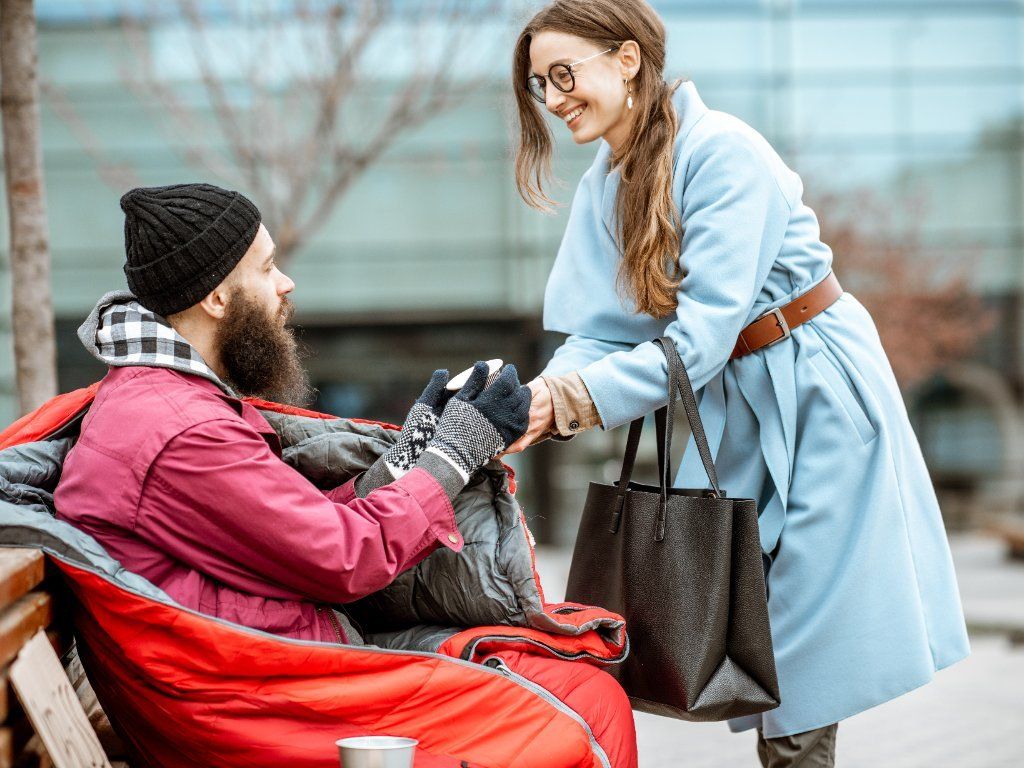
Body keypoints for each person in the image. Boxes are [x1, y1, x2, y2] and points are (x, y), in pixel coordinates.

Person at [504, 1, 970, 765]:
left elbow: (700, 337)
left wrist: (572, 402)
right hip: (732, 398)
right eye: (538, 84)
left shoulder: (722, 152)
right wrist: (534, 400)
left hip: (816, 385)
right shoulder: (609, 182)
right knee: (747, 619)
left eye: (564, 75)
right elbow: (601, 330)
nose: (553, 100)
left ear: (627, 60)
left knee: (801, 634)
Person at [54, 182, 637, 767]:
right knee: (584, 703)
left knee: (572, 673)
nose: (286, 284)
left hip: (274, 668)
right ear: (217, 298)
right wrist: (455, 454)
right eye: (268, 267)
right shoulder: (180, 429)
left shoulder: (162, 402)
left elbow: (291, 529)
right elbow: (342, 556)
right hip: (269, 699)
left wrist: (409, 455)